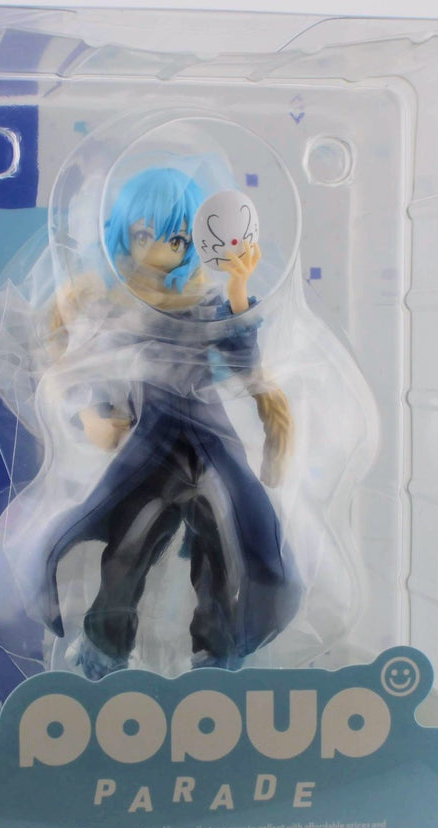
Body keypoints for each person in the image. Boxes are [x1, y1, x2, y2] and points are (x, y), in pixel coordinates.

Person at [33, 166, 301, 679]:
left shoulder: (205, 306)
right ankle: (105, 649)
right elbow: (88, 367)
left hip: (209, 445)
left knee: (223, 554)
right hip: (151, 448)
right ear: (124, 236)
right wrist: (92, 415)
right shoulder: (118, 309)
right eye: (143, 235)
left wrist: (239, 288)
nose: (158, 250)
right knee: (129, 549)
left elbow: (243, 359)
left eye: (175, 239)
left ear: (193, 244)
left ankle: (218, 654)